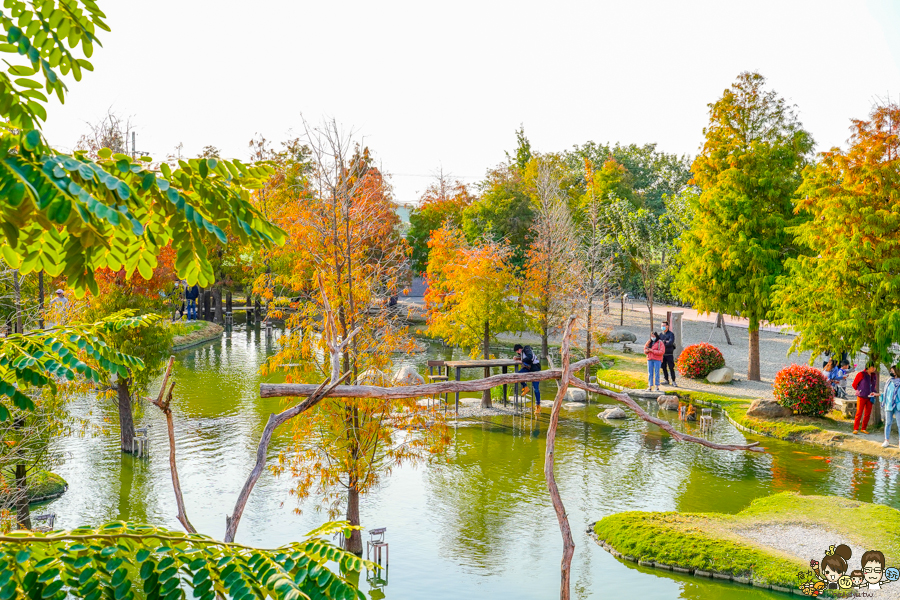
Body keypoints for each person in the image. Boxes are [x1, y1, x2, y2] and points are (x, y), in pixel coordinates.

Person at [852, 362, 879, 435]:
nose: (874, 369)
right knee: (859, 412)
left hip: (870, 396)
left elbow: (874, 385)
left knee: (867, 413)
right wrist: (860, 390)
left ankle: (863, 428)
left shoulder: (874, 375)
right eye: (873, 367)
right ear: (868, 367)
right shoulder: (861, 374)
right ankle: (856, 428)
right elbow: (854, 384)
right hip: (861, 396)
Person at [882, 366, 900, 449]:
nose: (891, 372)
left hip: (898, 406)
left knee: (899, 424)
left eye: (892, 371)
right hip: (889, 404)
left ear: (896, 372)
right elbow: (886, 393)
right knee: (888, 423)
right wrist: (880, 396)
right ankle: (886, 440)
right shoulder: (889, 381)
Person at [659, 321, 677, 387]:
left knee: (671, 367)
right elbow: (658, 343)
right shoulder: (660, 334)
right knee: (663, 367)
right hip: (662, 354)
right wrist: (665, 342)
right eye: (662, 326)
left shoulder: (671, 334)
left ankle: (673, 380)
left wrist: (663, 342)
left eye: (664, 325)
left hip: (669, 353)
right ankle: (666, 379)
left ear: (667, 326)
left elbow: (670, 342)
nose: (663, 327)